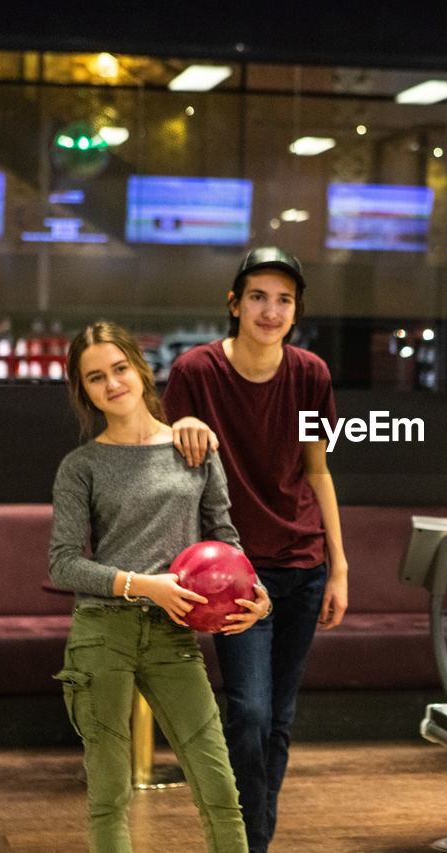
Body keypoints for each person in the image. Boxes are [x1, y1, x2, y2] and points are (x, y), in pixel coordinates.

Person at [48, 320, 270, 853]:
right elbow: (62, 565)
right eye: (96, 377)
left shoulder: (194, 447)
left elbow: (226, 540)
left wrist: (256, 595)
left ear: (141, 370)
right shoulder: (81, 466)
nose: (113, 383)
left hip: (174, 637)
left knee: (218, 784)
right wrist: (143, 585)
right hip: (102, 634)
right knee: (109, 790)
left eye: (120, 368)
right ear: (85, 391)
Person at [162, 246, 349, 853]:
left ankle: (252, 841)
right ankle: (242, 841)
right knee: (249, 715)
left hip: (304, 565)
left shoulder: (311, 375)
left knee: (280, 718)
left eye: (284, 300)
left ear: (296, 311)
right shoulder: (196, 372)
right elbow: (165, 469)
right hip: (234, 573)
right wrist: (177, 431)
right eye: (259, 297)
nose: (271, 310)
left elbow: (317, 472)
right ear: (234, 303)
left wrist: (340, 568)